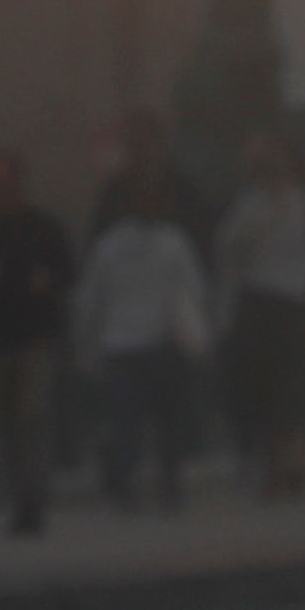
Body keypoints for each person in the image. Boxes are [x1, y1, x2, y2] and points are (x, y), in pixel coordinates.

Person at [77, 166, 209, 509]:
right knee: (163, 423)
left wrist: (87, 345)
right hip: (156, 344)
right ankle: (166, 488)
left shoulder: (109, 246)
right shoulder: (173, 242)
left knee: (127, 424)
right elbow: (193, 292)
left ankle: (129, 489)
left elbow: (91, 300)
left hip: (124, 346)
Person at [215, 135, 305, 502]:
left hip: (293, 305)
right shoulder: (248, 207)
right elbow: (228, 253)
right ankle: (276, 467)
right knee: (262, 389)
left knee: (291, 390)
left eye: (278, 165)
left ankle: (290, 466)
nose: (273, 172)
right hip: (256, 304)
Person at [0, 148, 77, 538]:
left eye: (6, 182)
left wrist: (46, 281)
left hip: (35, 338)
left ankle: (32, 502)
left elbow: (67, 269)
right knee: (6, 425)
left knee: (29, 419)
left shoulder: (44, 227)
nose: (1, 190)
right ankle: (20, 498)